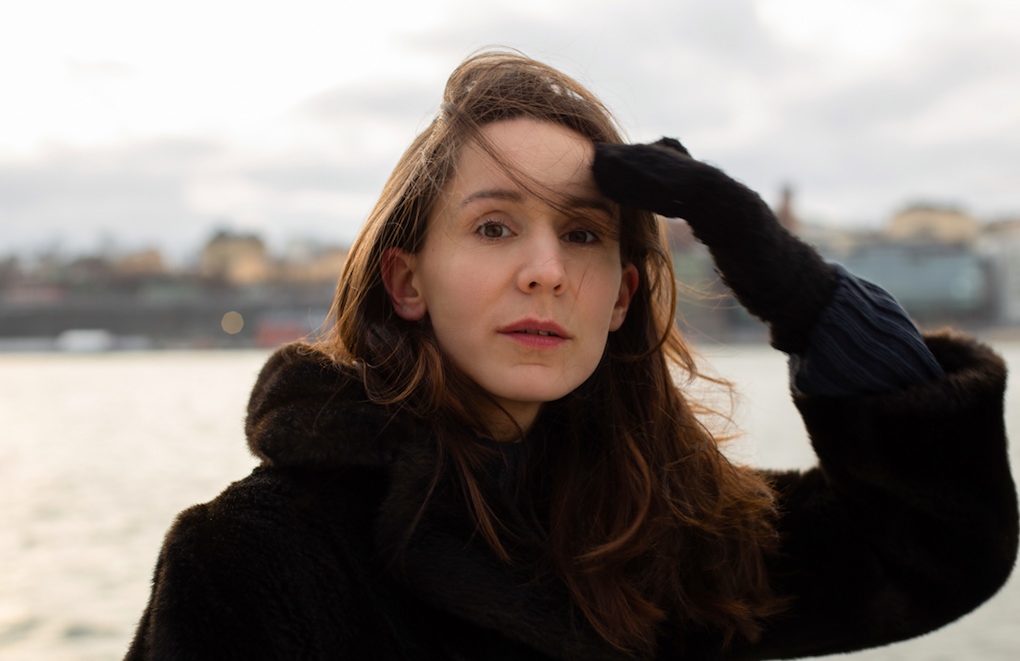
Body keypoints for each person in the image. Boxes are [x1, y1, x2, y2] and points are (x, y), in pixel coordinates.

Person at [125, 50, 1018, 660]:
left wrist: (808, 297)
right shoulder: (257, 555)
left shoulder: (666, 536)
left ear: (621, 296)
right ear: (407, 280)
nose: (546, 270)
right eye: (494, 226)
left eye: (584, 233)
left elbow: (937, 549)